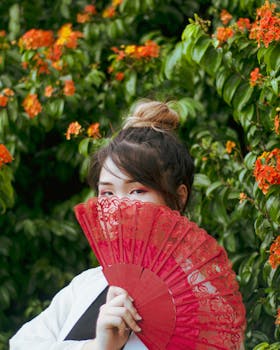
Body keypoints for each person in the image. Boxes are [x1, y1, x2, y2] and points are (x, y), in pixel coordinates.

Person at [10, 100, 246, 350]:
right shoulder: (88, 284)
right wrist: (97, 347)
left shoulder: (207, 306)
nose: (119, 208)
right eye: (107, 194)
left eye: (136, 191)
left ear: (179, 197)